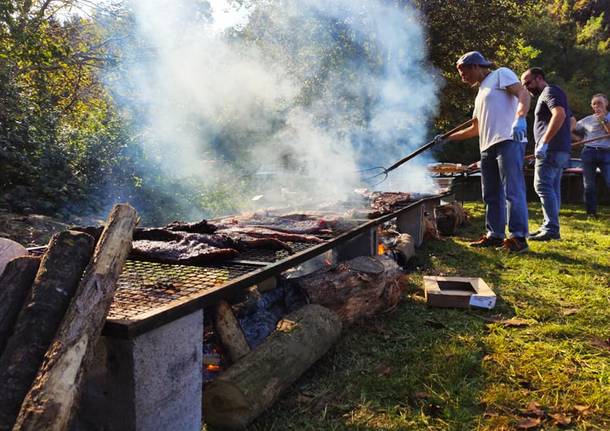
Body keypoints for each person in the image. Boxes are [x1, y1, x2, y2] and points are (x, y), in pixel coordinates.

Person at [442, 51, 531, 252]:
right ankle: (495, 235)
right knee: (491, 193)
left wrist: (521, 117)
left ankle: (518, 238)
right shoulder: (481, 92)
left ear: (475, 66)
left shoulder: (501, 74)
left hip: (508, 139)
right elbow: (475, 128)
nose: (462, 77)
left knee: (512, 190)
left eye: (463, 72)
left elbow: (523, 93)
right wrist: (447, 137)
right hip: (487, 146)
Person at [520, 67, 572, 240]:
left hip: (550, 150)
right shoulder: (555, 93)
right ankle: (549, 225)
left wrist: (544, 142)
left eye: (528, 82)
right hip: (559, 149)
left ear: (539, 78)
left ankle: (551, 228)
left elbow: (560, 114)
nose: (526, 87)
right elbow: (570, 120)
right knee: (553, 188)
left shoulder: (550, 91)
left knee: (542, 186)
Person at [572, 93, 610, 217]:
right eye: (594, 103)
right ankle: (591, 213)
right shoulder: (587, 120)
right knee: (589, 185)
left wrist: (603, 119)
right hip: (589, 152)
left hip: (606, 153)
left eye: (599, 103)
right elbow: (571, 128)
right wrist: (577, 138)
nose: (597, 106)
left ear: (606, 104)